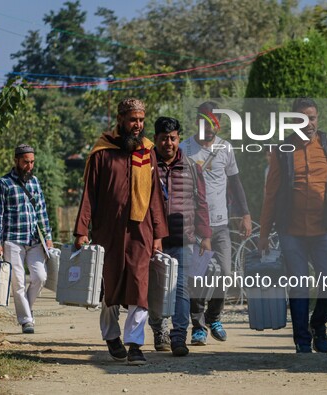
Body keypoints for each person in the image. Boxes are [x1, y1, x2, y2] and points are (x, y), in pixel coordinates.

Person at [258, 98, 327, 353]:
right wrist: (264, 233)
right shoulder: (282, 150)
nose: (308, 123)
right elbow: (271, 193)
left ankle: (318, 326)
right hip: (291, 231)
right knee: (298, 285)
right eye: (302, 118)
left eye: (312, 118)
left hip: (325, 229)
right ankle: (301, 339)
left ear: (317, 119)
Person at [73, 98, 168, 365]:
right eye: (132, 120)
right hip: (108, 232)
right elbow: (89, 194)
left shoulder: (148, 152)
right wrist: (82, 230)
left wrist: (159, 234)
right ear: (120, 120)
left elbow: (156, 198)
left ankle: (136, 345)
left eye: (141, 120)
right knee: (110, 288)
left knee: (140, 286)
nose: (137, 125)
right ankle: (112, 336)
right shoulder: (102, 152)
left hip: (141, 231)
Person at [180, 101, 252, 346]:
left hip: (220, 225)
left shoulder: (226, 148)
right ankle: (198, 326)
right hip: (194, 226)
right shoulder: (184, 149)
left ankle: (214, 317)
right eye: (205, 122)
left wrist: (245, 215)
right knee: (197, 276)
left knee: (225, 274)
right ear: (198, 121)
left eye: (214, 124)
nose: (209, 129)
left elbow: (236, 183)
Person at [148, 116, 213, 357]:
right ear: (155, 139)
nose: (169, 143)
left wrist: (205, 235)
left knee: (182, 289)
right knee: (154, 289)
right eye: (164, 138)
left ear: (178, 139)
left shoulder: (192, 167)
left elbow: (202, 203)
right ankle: (159, 331)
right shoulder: (146, 165)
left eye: (173, 138)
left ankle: (178, 338)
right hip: (153, 239)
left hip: (183, 238)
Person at [0, 144, 53, 334]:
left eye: (32, 162)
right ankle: (26, 319)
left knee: (40, 277)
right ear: (16, 160)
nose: (29, 166)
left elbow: (42, 211)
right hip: (13, 240)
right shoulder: (3, 184)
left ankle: (25, 305)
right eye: (26, 162)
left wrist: (48, 237)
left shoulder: (35, 182)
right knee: (17, 281)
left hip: (34, 240)